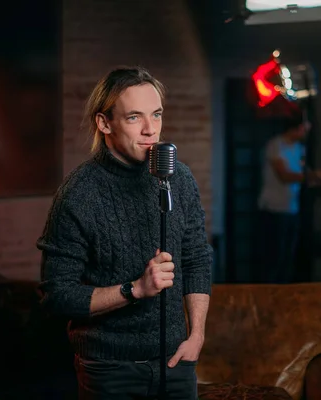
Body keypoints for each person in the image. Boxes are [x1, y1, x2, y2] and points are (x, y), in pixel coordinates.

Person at [36, 66, 212, 399]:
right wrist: (135, 289)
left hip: (176, 360)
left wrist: (197, 334)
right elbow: (56, 295)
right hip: (109, 369)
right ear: (105, 123)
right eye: (134, 118)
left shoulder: (179, 177)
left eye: (156, 115)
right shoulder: (79, 194)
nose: (151, 130)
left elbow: (196, 257)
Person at [256, 116, 321, 283]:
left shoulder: (299, 148)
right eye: (304, 128)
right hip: (274, 208)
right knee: (274, 256)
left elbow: (304, 174)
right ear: (294, 128)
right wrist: (317, 175)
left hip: (291, 208)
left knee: (288, 257)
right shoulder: (276, 145)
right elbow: (285, 176)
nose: (306, 133)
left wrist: (319, 179)